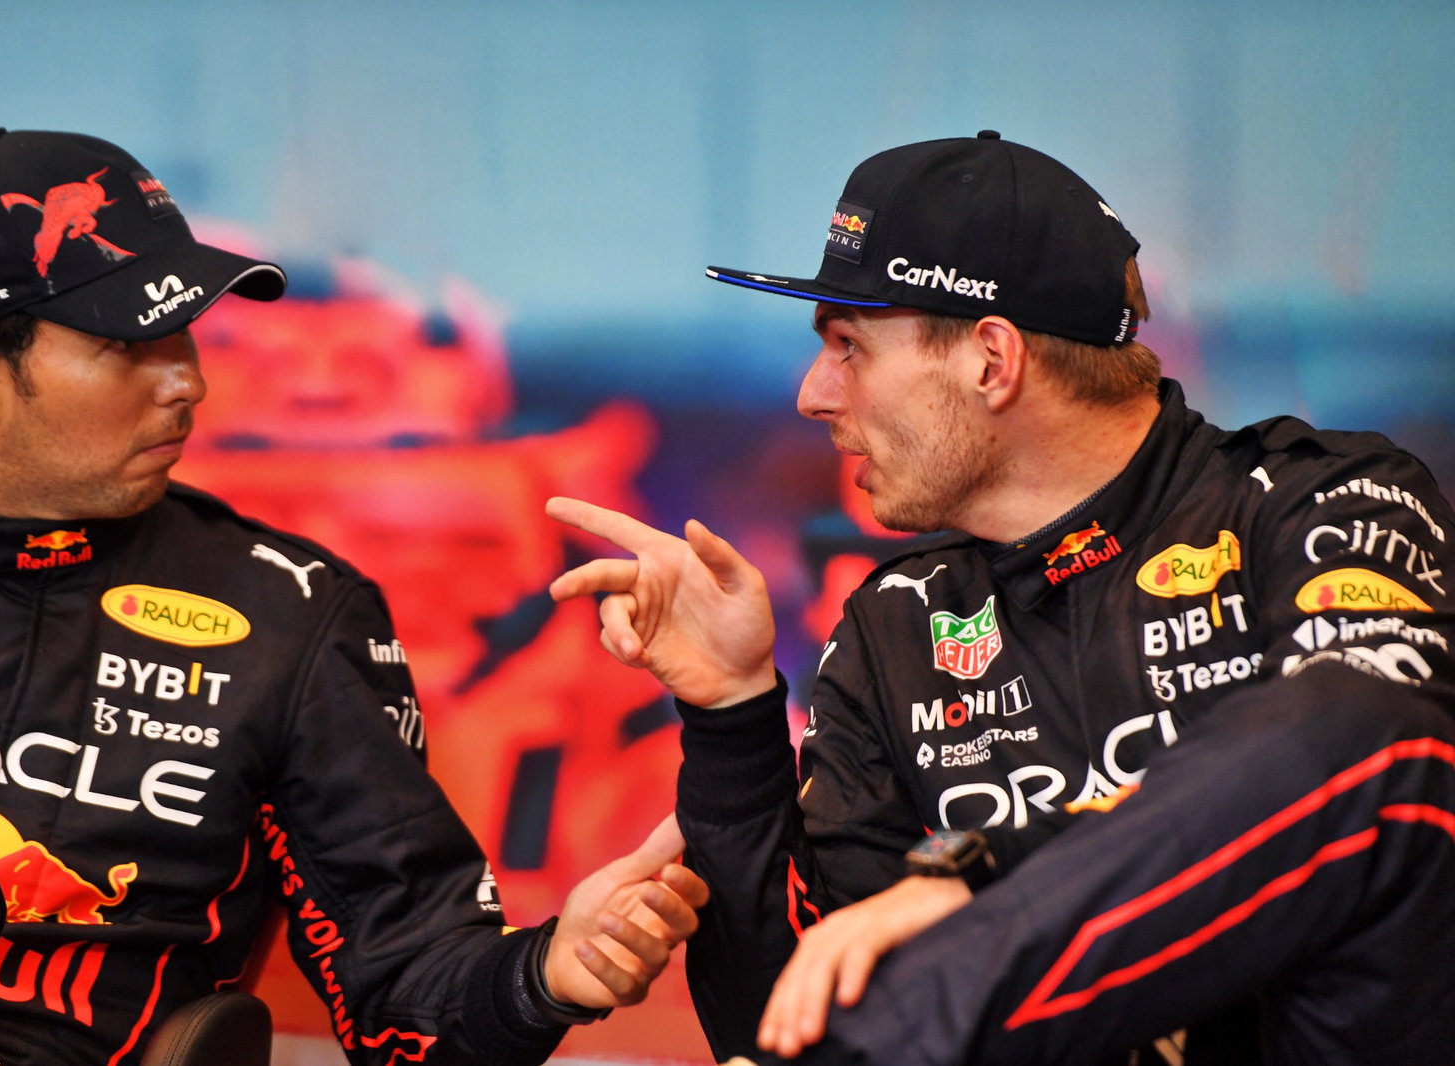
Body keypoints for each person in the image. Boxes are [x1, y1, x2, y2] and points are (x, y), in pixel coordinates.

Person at [546, 131, 1455, 1064]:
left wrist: (982, 873)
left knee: (1361, 722)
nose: (814, 395)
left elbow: (1372, 751)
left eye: (849, 346)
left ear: (991, 359)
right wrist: (732, 713)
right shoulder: (898, 622)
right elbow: (791, 1029)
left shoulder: (1323, 503)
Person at [0, 128, 708, 1066]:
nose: (188, 382)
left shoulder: (289, 611)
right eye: (126, 345)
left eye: (183, 336)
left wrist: (541, 978)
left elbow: (407, 985)